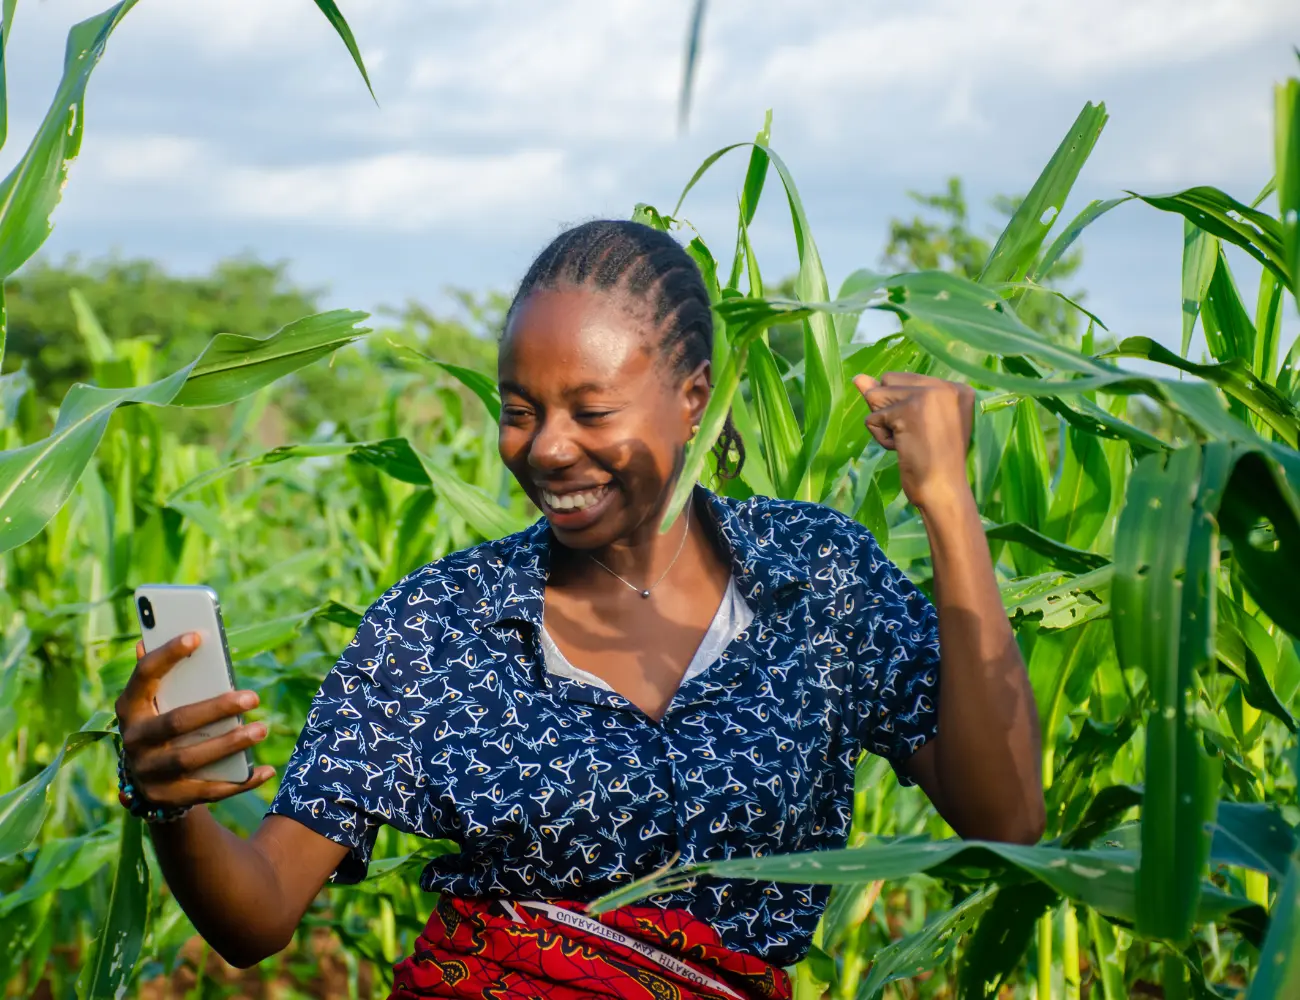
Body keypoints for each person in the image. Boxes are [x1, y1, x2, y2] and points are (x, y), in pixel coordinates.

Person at [114, 220, 1045, 999]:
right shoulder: (440, 626)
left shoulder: (818, 580)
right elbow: (261, 909)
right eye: (520, 411)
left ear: (695, 401)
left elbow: (1004, 820)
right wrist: (171, 809)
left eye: (592, 411)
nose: (548, 450)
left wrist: (949, 504)